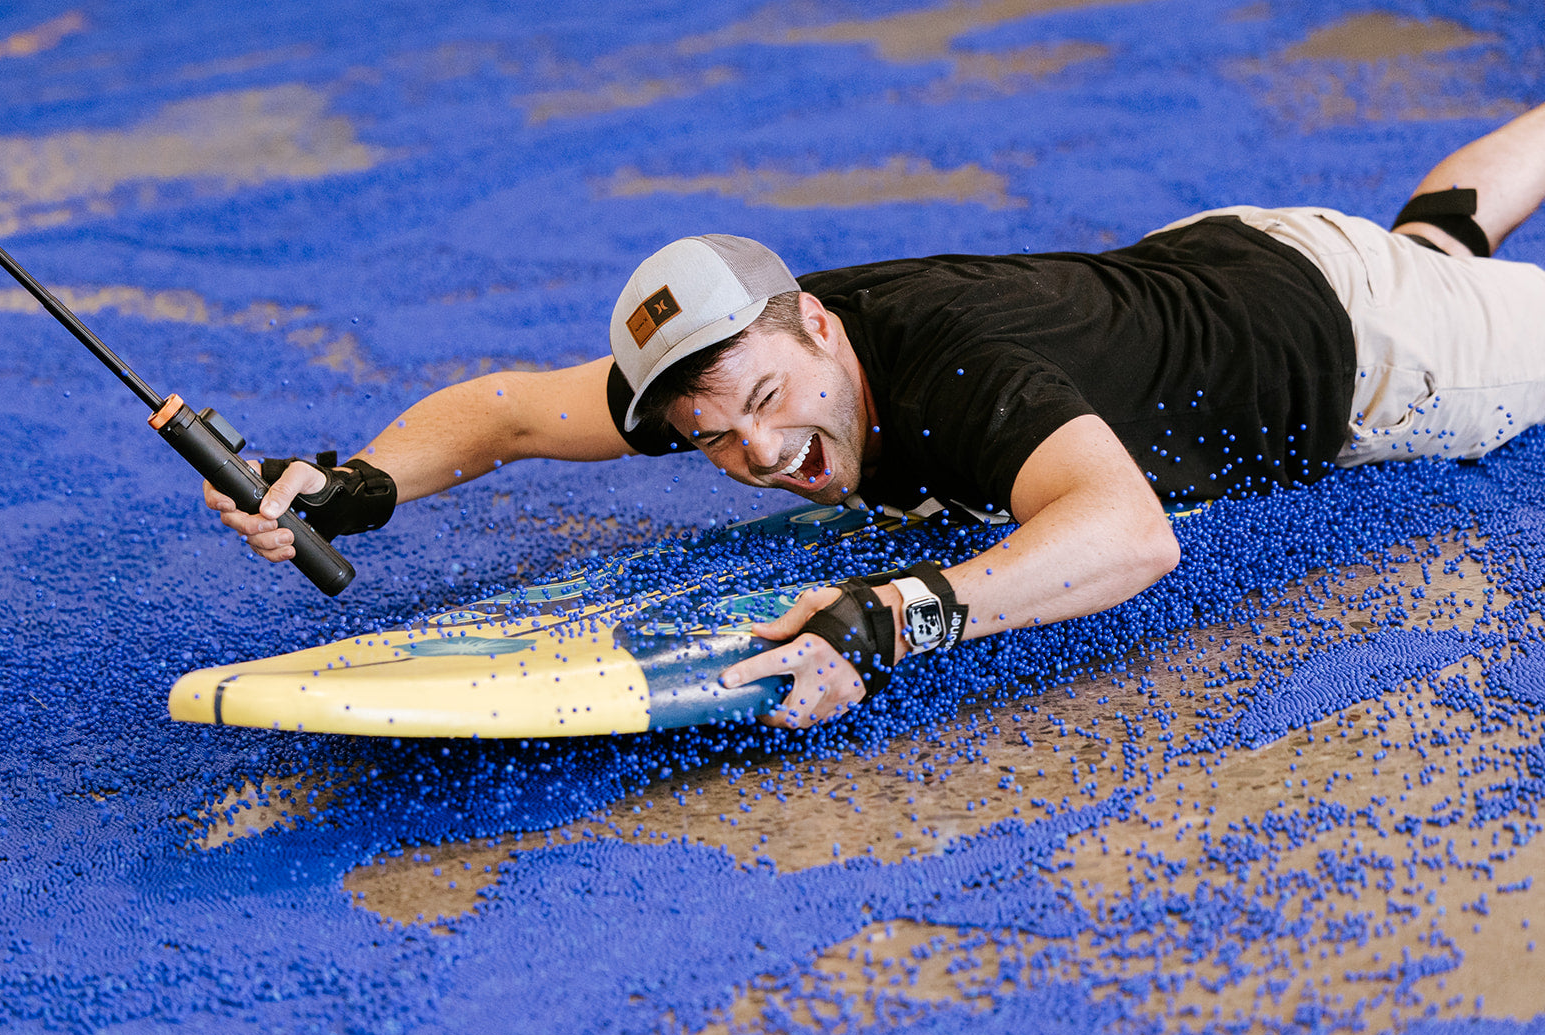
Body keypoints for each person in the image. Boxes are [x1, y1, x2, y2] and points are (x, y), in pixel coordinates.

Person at [207, 104, 1545, 728]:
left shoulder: (960, 375)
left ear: (821, 330)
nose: (765, 457)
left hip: (1384, 357)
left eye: (775, 407)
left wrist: (902, 611)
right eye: (715, 439)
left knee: (1440, 281)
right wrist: (361, 484)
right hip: (1231, 253)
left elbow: (1128, 534)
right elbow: (504, 413)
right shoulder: (750, 344)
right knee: (1435, 240)